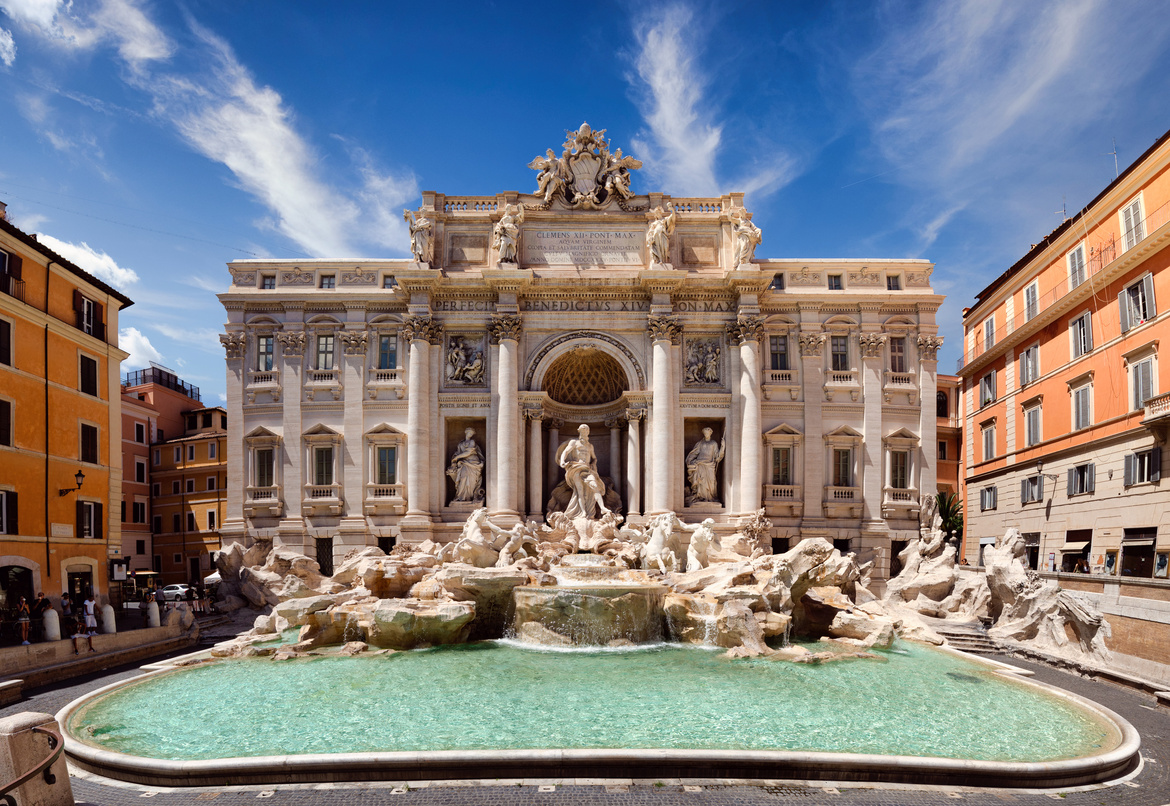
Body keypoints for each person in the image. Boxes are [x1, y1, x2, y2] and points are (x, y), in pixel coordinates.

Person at [556, 424, 609, 520]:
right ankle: (583, 512)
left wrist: (593, 464)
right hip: (576, 467)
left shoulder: (590, 446)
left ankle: (602, 508)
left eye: (586, 430)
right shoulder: (574, 442)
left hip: (587, 469)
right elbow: (566, 451)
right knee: (579, 491)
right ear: (579, 431)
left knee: (595, 486)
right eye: (582, 430)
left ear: (588, 432)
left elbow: (594, 458)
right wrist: (562, 461)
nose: (584, 432)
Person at [685, 427, 726, 505]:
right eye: (705, 433)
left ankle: (710, 498)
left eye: (707, 433)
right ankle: (701, 497)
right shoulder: (700, 443)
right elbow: (694, 453)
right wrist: (690, 461)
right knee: (700, 482)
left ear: (710, 433)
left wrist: (723, 447)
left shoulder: (713, 443)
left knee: (711, 482)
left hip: (710, 465)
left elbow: (717, 457)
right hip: (700, 464)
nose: (706, 434)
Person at [446, 428, 485, 503]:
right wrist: (455, 459)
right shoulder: (461, 444)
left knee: (471, 481)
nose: (470, 435)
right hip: (463, 463)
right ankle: (460, 497)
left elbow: (468, 452)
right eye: (469, 433)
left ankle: (469, 497)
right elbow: (458, 452)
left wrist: (457, 457)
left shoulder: (472, 442)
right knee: (463, 478)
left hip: (473, 462)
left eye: (472, 434)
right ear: (466, 433)